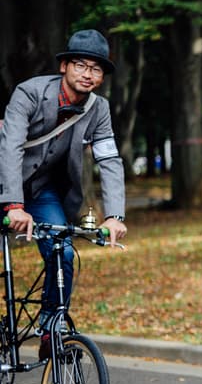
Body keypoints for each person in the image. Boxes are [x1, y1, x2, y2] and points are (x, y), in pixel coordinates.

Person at [0, 29, 127, 360]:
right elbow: (11, 145)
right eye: (81, 65)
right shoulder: (29, 93)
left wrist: (115, 215)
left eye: (96, 69)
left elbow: (109, 158)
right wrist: (13, 204)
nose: (88, 74)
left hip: (43, 191)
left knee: (64, 253)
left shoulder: (98, 110)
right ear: (64, 67)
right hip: (5, 184)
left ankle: (50, 330)